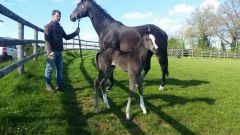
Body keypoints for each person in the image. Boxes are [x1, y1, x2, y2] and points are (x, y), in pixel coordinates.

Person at [44, 10, 80, 92]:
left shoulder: (60, 28)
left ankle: (60, 86)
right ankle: (48, 85)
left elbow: (66, 37)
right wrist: (50, 51)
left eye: (60, 16)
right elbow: (47, 40)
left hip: (59, 52)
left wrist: (75, 33)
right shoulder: (48, 26)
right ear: (53, 15)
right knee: (49, 69)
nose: (59, 17)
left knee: (59, 70)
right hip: (52, 52)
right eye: (57, 16)